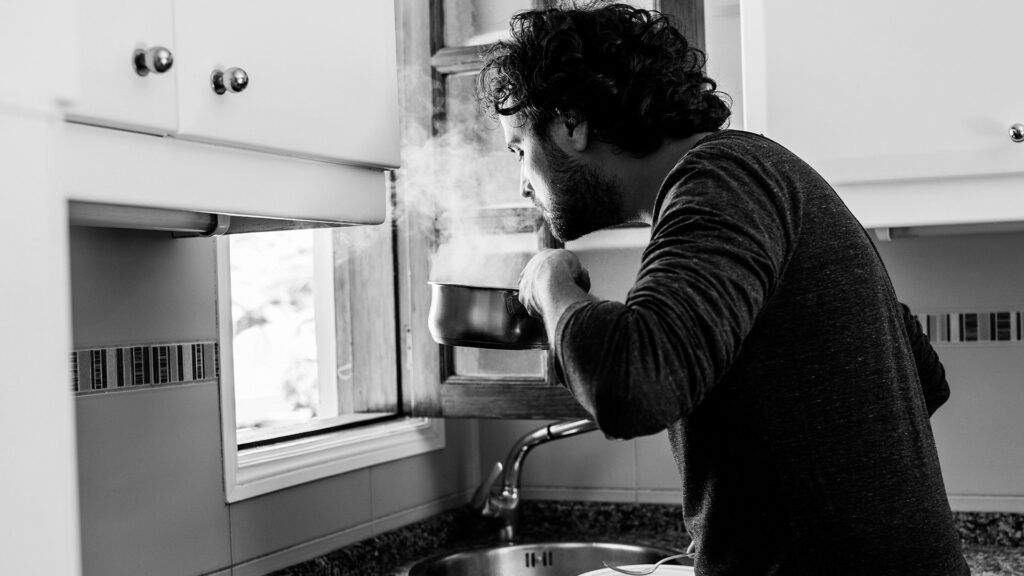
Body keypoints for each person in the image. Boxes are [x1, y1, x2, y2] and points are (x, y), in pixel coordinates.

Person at [477, 3, 969, 575]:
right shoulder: (761, 173)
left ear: (570, 122)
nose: (521, 183)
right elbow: (924, 377)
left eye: (519, 148)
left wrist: (549, 283)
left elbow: (632, 385)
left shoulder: (720, 179)